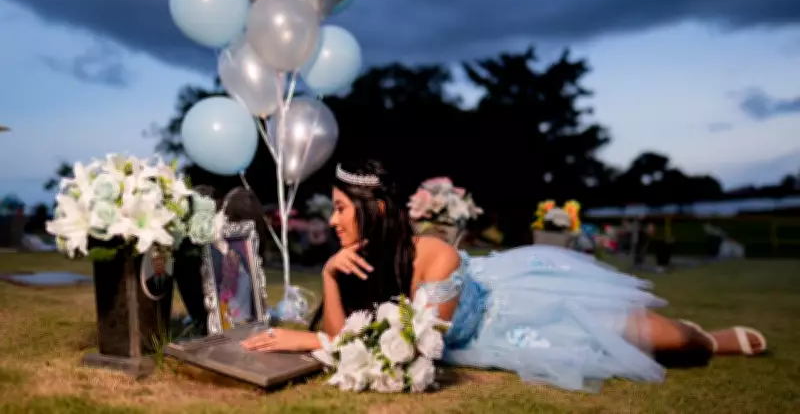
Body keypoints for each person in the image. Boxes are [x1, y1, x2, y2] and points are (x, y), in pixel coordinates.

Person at [241, 160, 768, 392]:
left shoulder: (434, 255)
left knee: (677, 343)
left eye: (340, 208)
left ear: (375, 208)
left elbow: (422, 348)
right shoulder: (349, 261)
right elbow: (342, 335)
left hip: (514, 305)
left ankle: (707, 337)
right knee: (625, 352)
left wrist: (310, 340)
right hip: (481, 346)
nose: (333, 221)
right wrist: (330, 278)